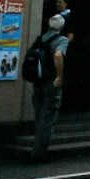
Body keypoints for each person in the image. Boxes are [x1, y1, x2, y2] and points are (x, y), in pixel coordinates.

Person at [31, 14, 69, 162]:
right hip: (50, 83)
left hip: (38, 82)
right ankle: (39, 153)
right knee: (47, 119)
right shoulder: (61, 40)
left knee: (39, 115)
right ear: (61, 27)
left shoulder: (41, 38)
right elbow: (58, 55)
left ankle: (36, 148)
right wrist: (59, 76)